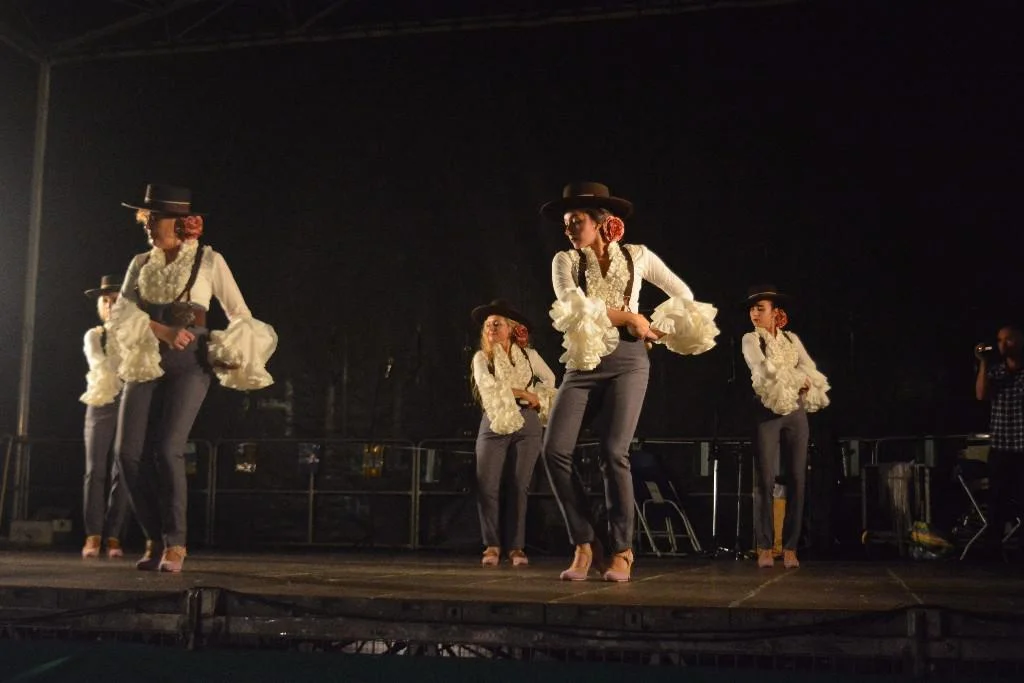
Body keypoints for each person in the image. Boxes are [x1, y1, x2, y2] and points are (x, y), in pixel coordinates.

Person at [539, 182, 719, 582]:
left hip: (628, 361)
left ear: (602, 222)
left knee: (613, 451)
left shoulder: (639, 256)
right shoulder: (565, 260)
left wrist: (656, 328)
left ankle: (622, 550)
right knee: (554, 450)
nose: (569, 229)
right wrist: (630, 317)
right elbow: (572, 305)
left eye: (576, 221)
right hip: (583, 363)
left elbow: (683, 293)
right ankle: (585, 542)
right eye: (566, 223)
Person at [108, 184, 277, 572]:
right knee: (125, 453)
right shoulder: (140, 263)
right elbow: (120, 314)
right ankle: (153, 536)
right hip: (147, 353)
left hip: (192, 358)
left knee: (168, 448)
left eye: (155, 218)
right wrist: (161, 330)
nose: (148, 225)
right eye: (146, 218)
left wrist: (233, 349)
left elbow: (240, 313)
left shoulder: (209, 260)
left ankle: (176, 542)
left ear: (180, 222)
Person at [740, 285, 830, 569]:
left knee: (797, 478)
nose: (755, 313)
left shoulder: (792, 339)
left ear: (775, 312)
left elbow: (810, 367)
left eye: (761, 308)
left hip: (795, 411)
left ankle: (790, 547)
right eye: (752, 309)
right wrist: (797, 378)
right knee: (765, 479)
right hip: (766, 410)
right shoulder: (751, 339)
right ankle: (765, 546)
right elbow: (762, 369)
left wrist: (802, 379)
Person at [469, 299, 558, 567]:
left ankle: (516, 547)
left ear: (511, 328)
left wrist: (538, 397)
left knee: (520, 485)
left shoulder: (529, 356)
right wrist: (522, 392)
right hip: (495, 420)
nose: (490, 329)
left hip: (527, 423)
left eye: (496, 324)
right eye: (487, 325)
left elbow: (551, 379)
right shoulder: (482, 358)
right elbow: (488, 387)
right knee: (487, 485)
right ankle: (492, 545)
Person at [80, 274, 131, 560]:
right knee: (94, 470)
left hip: (127, 400)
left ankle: (114, 536)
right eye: (105, 301)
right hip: (101, 400)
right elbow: (103, 365)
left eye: (114, 299)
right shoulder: (94, 335)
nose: (109, 305)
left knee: (121, 468)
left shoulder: (137, 333)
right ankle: (93, 535)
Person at [975, 325, 1024, 550]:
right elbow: (981, 395)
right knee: (997, 501)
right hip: (1002, 447)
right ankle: (992, 550)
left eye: (1009, 340)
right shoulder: (996, 372)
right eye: (999, 340)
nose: (1003, 345)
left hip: (1022, 447)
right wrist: (983, 363)